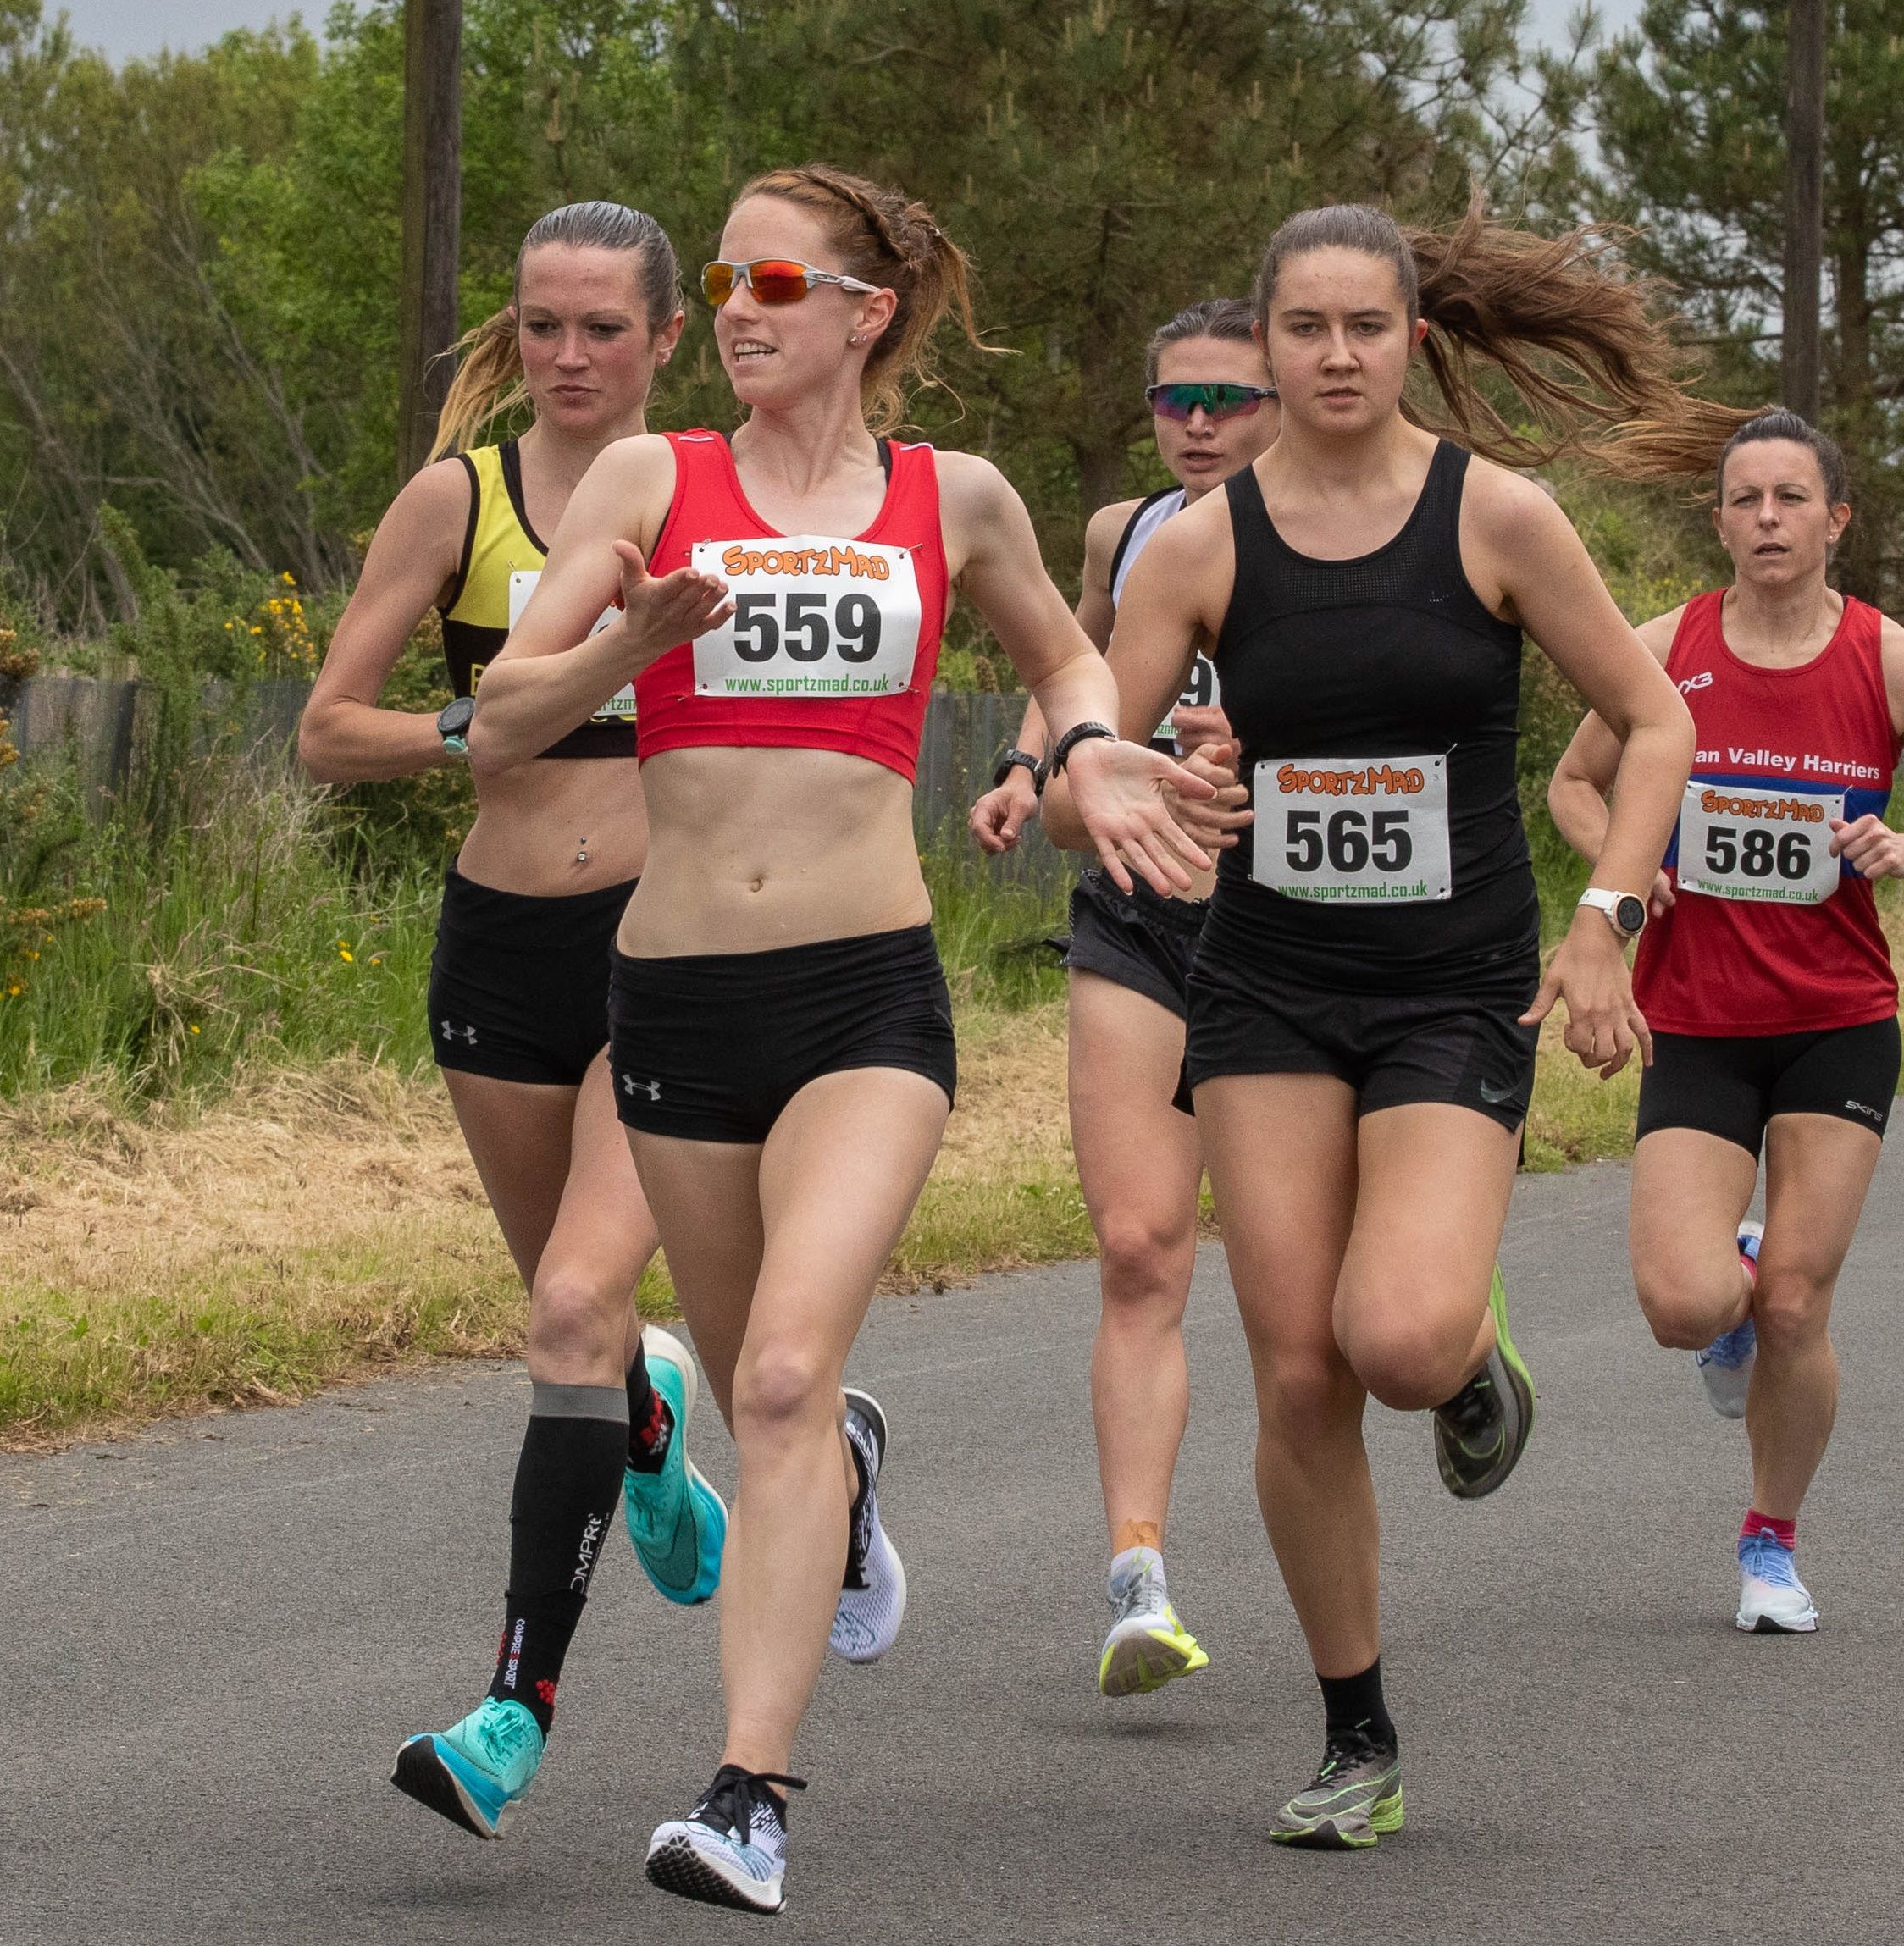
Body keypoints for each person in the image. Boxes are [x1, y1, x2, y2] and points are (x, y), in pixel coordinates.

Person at [469, 164, 1215, 1916]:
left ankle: (747, 1794)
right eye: (722, 273)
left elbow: (1064, 657)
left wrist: (1085, 747)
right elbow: (502, 708)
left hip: (864, 995)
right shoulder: (659, 478)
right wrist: (619, 649)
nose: (733, 303)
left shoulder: (950, 495)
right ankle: (847, 1482)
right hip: (672, 999)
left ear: (865, 313)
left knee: (790, 1374)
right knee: (754, 1393)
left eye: (774, 277)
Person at [1102, 202, 1715, 1851]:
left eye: (1363, 326)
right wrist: (1154, 769)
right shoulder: (1199, 546)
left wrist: (1608, 918)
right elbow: (1104, 725)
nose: (1334, 354)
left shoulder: (1495, 519)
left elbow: (1650, 722)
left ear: (1412, 341)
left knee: (1390, 1334)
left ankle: (1461, 1357)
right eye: (1301, 328)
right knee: (1297, 1365)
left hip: (1452, 982)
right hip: (1263, 986)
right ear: (1261, 348)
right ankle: (1354, 1730)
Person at [294, 202, 730, 1840]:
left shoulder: (718, 494)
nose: (564, 356)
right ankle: (652, 1432)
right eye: (540, 324)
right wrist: (498, 715)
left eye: (600, 328)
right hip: (496, 945)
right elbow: (328, 732)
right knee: (583, 1330)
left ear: (664, 339)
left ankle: (510, 1710)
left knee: (567, 1303)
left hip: (668, 944)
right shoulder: (458, 498)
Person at [1547, 407, 1904, 1636]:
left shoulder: (1894, 662)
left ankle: (1769, 1541)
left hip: (1835, 1021)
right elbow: (1570, 782)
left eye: (1789, 498)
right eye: (1743, 500)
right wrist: (1625, 871)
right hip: (1697, 1021)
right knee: (1685, 1305)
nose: (1766, 519)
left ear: (1834, 519)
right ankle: (1742, 1271)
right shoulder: (1665, 648)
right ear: (1717, 521)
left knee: (1796, 1310)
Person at [966, 297, 1280, 1700]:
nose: (1201, 421)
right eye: (1176, 399)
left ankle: (1457, 1320)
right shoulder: (1119, 529)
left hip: (1301, 925)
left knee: (1320, 1293)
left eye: (1229, 395)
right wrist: (1033, 767)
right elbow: (1075, 666)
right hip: (1142, 913)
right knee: (1144, 1245)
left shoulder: (1351, 535)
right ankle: (1138, 1576)